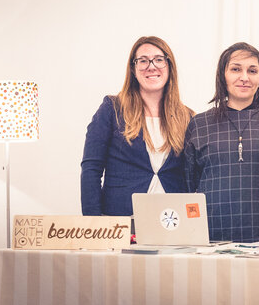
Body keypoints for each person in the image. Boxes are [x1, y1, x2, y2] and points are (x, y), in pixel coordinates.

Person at [184, 42, 259, 242]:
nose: (244, 77)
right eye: (236, 69)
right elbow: (190, 183)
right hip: (211, 236)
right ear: (222, 75)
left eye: (252, 71)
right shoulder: (199, 124)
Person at [81, 36, 194, 216]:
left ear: (169, 66)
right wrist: (93, 224)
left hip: (172, 224)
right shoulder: (112, 109)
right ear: (133, 69)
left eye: (159, 59)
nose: (151, 66)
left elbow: (192, 178)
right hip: (122, 222)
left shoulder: (187, 117)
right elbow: (91, 169)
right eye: (143, 60)